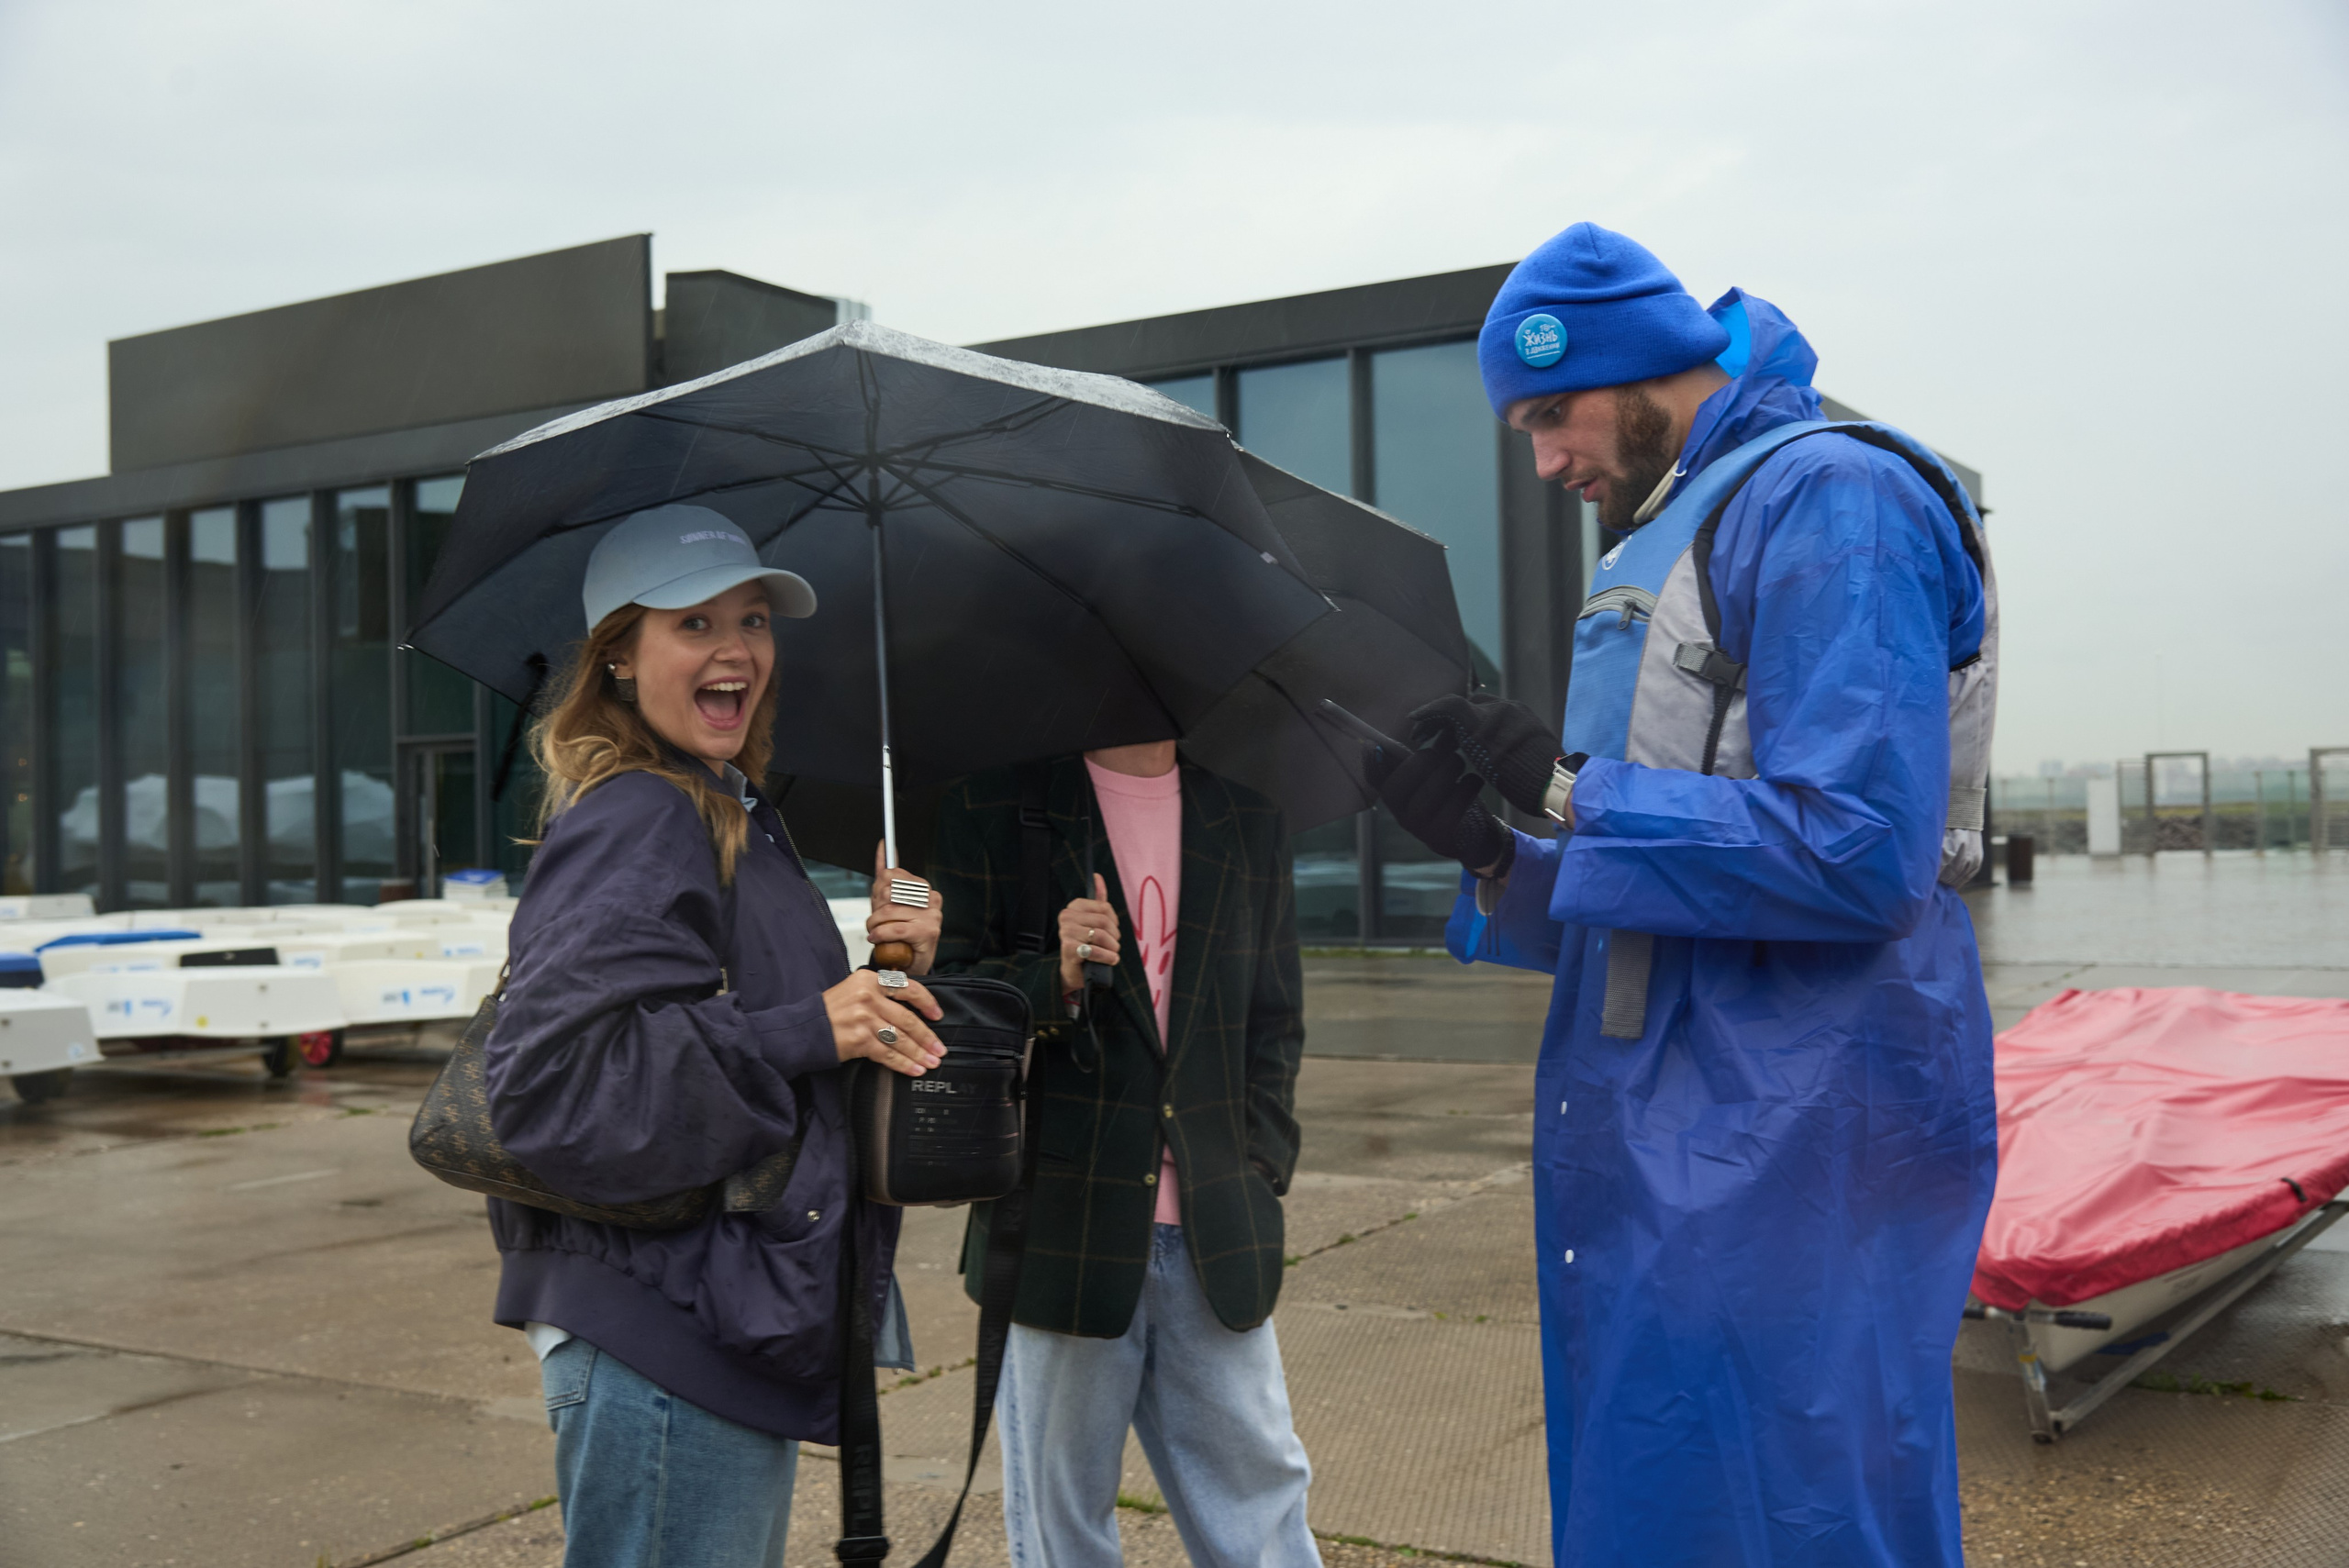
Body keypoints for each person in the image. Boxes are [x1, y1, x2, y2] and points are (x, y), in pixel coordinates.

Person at [1375, 224, 1998, 1567]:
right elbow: (1670, 881)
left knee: (1808, 1508)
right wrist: (1495, 854)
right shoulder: (1666, 539)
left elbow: (1859, 851)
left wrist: (1567, 795)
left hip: (1803, 1127)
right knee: (1667, 1505)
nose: (1543, 460)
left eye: (1556, 413)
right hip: (1673, 1127)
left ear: (1651, 369)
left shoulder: (1832, 496)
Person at [481, 505, 947, 1568]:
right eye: (693, 623)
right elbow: (550, 1089)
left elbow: (775, 1042)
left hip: (709, 1316)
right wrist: (809, 1023)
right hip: (662, 1335)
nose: (737, 648)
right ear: (616, 662)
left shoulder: (727, 810)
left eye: (753, 619)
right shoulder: (641, 815)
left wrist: (892, 967)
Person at [927, 741, 1319, 1568]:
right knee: (1063, 1528)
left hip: (1215, 1226)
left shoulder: (1248, 817)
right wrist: (1055, 975)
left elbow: (1275, 1020)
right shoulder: (997, 806)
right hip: (1058, 1230)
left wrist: (1259, 1165)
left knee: (1264, 1510)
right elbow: (953, 1001)